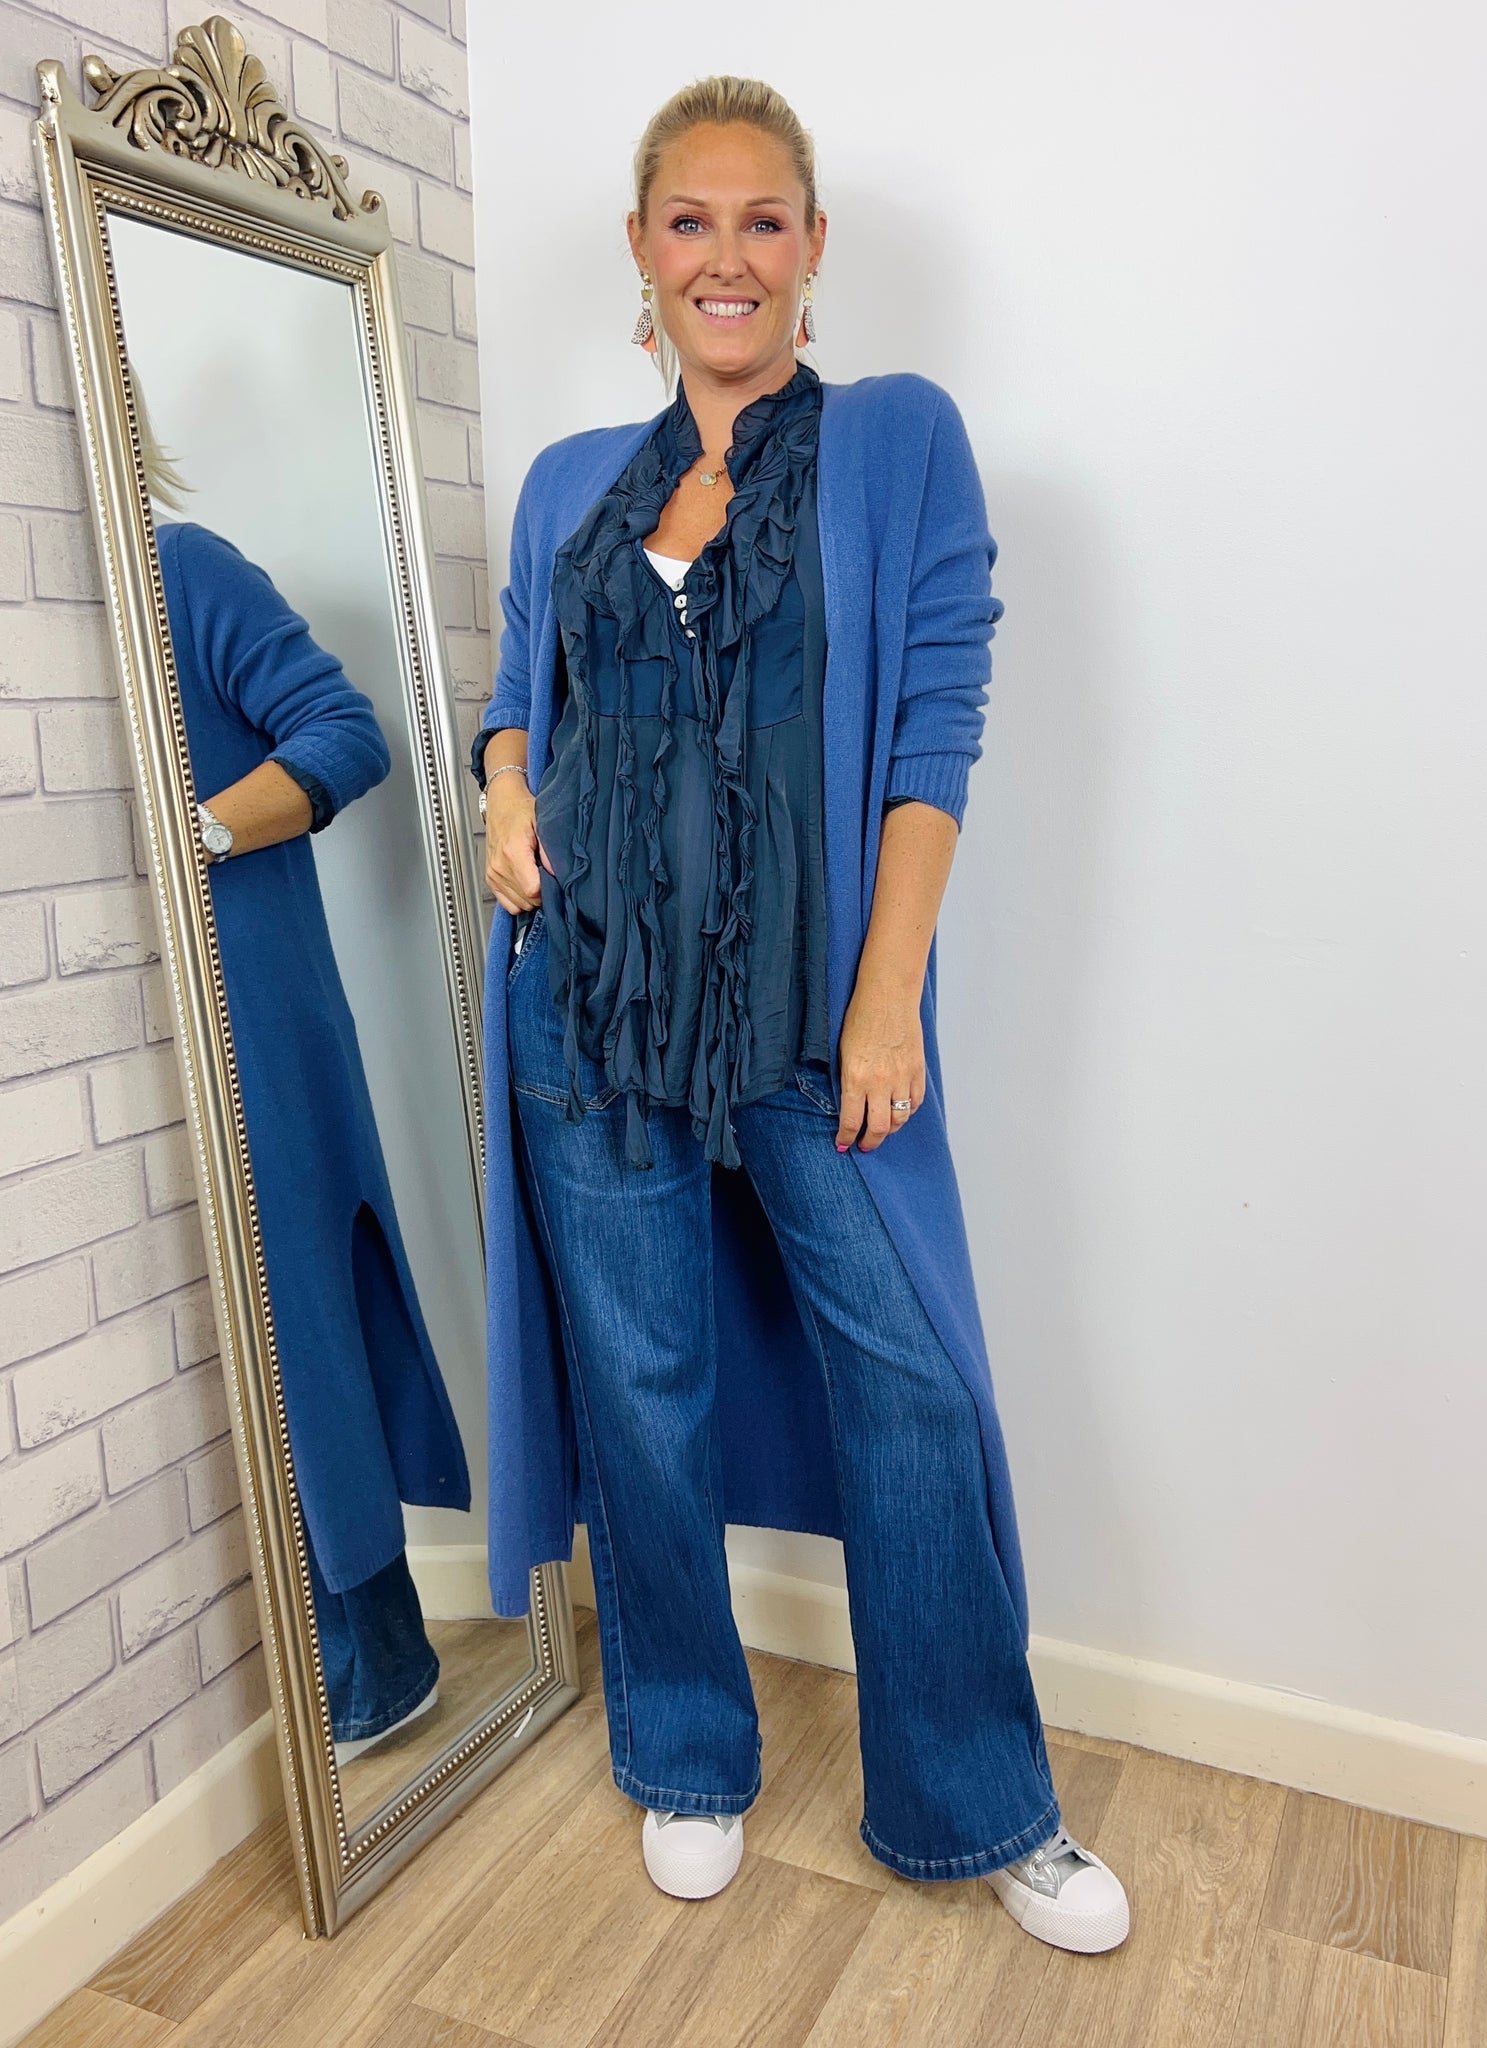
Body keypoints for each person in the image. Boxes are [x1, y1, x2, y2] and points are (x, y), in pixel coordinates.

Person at [473, 78, 1130, 1952]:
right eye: (691, 221)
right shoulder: (568, 483)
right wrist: (508, 798)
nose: (728, 257)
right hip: (590, 1016)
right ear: (640, 249)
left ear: (815, 247)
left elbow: (934, 729)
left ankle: (981, 1802)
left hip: (811, 1021)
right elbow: (519, 692)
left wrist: (888, 997)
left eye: (764, 220)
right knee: (642, 1389)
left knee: (908, 1386)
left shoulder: (898, 442)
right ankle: (688, 1751)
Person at [148, 458, 470, 1759]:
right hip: (139, 1049)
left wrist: (191, 839)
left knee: (302, 1339)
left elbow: (344, 733)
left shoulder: (180, 570)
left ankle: (377, 1665)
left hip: (260, 1028)